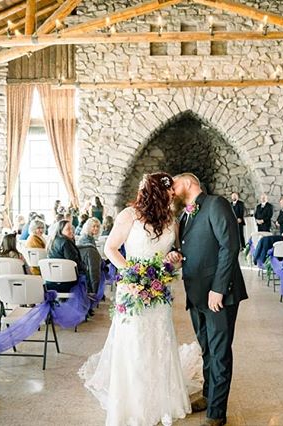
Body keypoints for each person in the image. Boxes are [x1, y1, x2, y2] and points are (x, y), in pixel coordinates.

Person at [80, 172, 201, 426]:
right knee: (134, 342)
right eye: (168, 193)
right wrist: (132, 274)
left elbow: (176, 252)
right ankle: (133, 401)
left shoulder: (171, 220)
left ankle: (162, 400)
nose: (172, 196)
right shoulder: (129, 216)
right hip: (133, 287)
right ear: (156, 192)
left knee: (160, 339)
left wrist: (173, 258)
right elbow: (110, 248)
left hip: (160, 291)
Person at [170, 172, 247, 426]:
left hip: (218, 295)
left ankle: (217, 413)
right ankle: (207, 395)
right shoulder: (184, 215)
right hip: (196, 294)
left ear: (189, 183)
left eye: (175, 182)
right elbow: (188, 249)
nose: (172, 187)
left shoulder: (216, 204)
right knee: (206, 350)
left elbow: (230, 246)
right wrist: (175, 256)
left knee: (220, 352)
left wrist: (219, 288)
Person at [47, 220, 85, 293]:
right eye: (68, 229)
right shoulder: (66, 242)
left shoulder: (53, 241)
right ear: (61, 230)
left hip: (51, 280)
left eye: (72, 229)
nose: (71, 231)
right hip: (66, 281)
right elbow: (74, 263)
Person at [76, 218, 102, 295]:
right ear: (88, 227)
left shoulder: (89, 238)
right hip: (86, 267)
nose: (96, 228)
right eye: (93, 226)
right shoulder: (86, 239)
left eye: (97, 226)